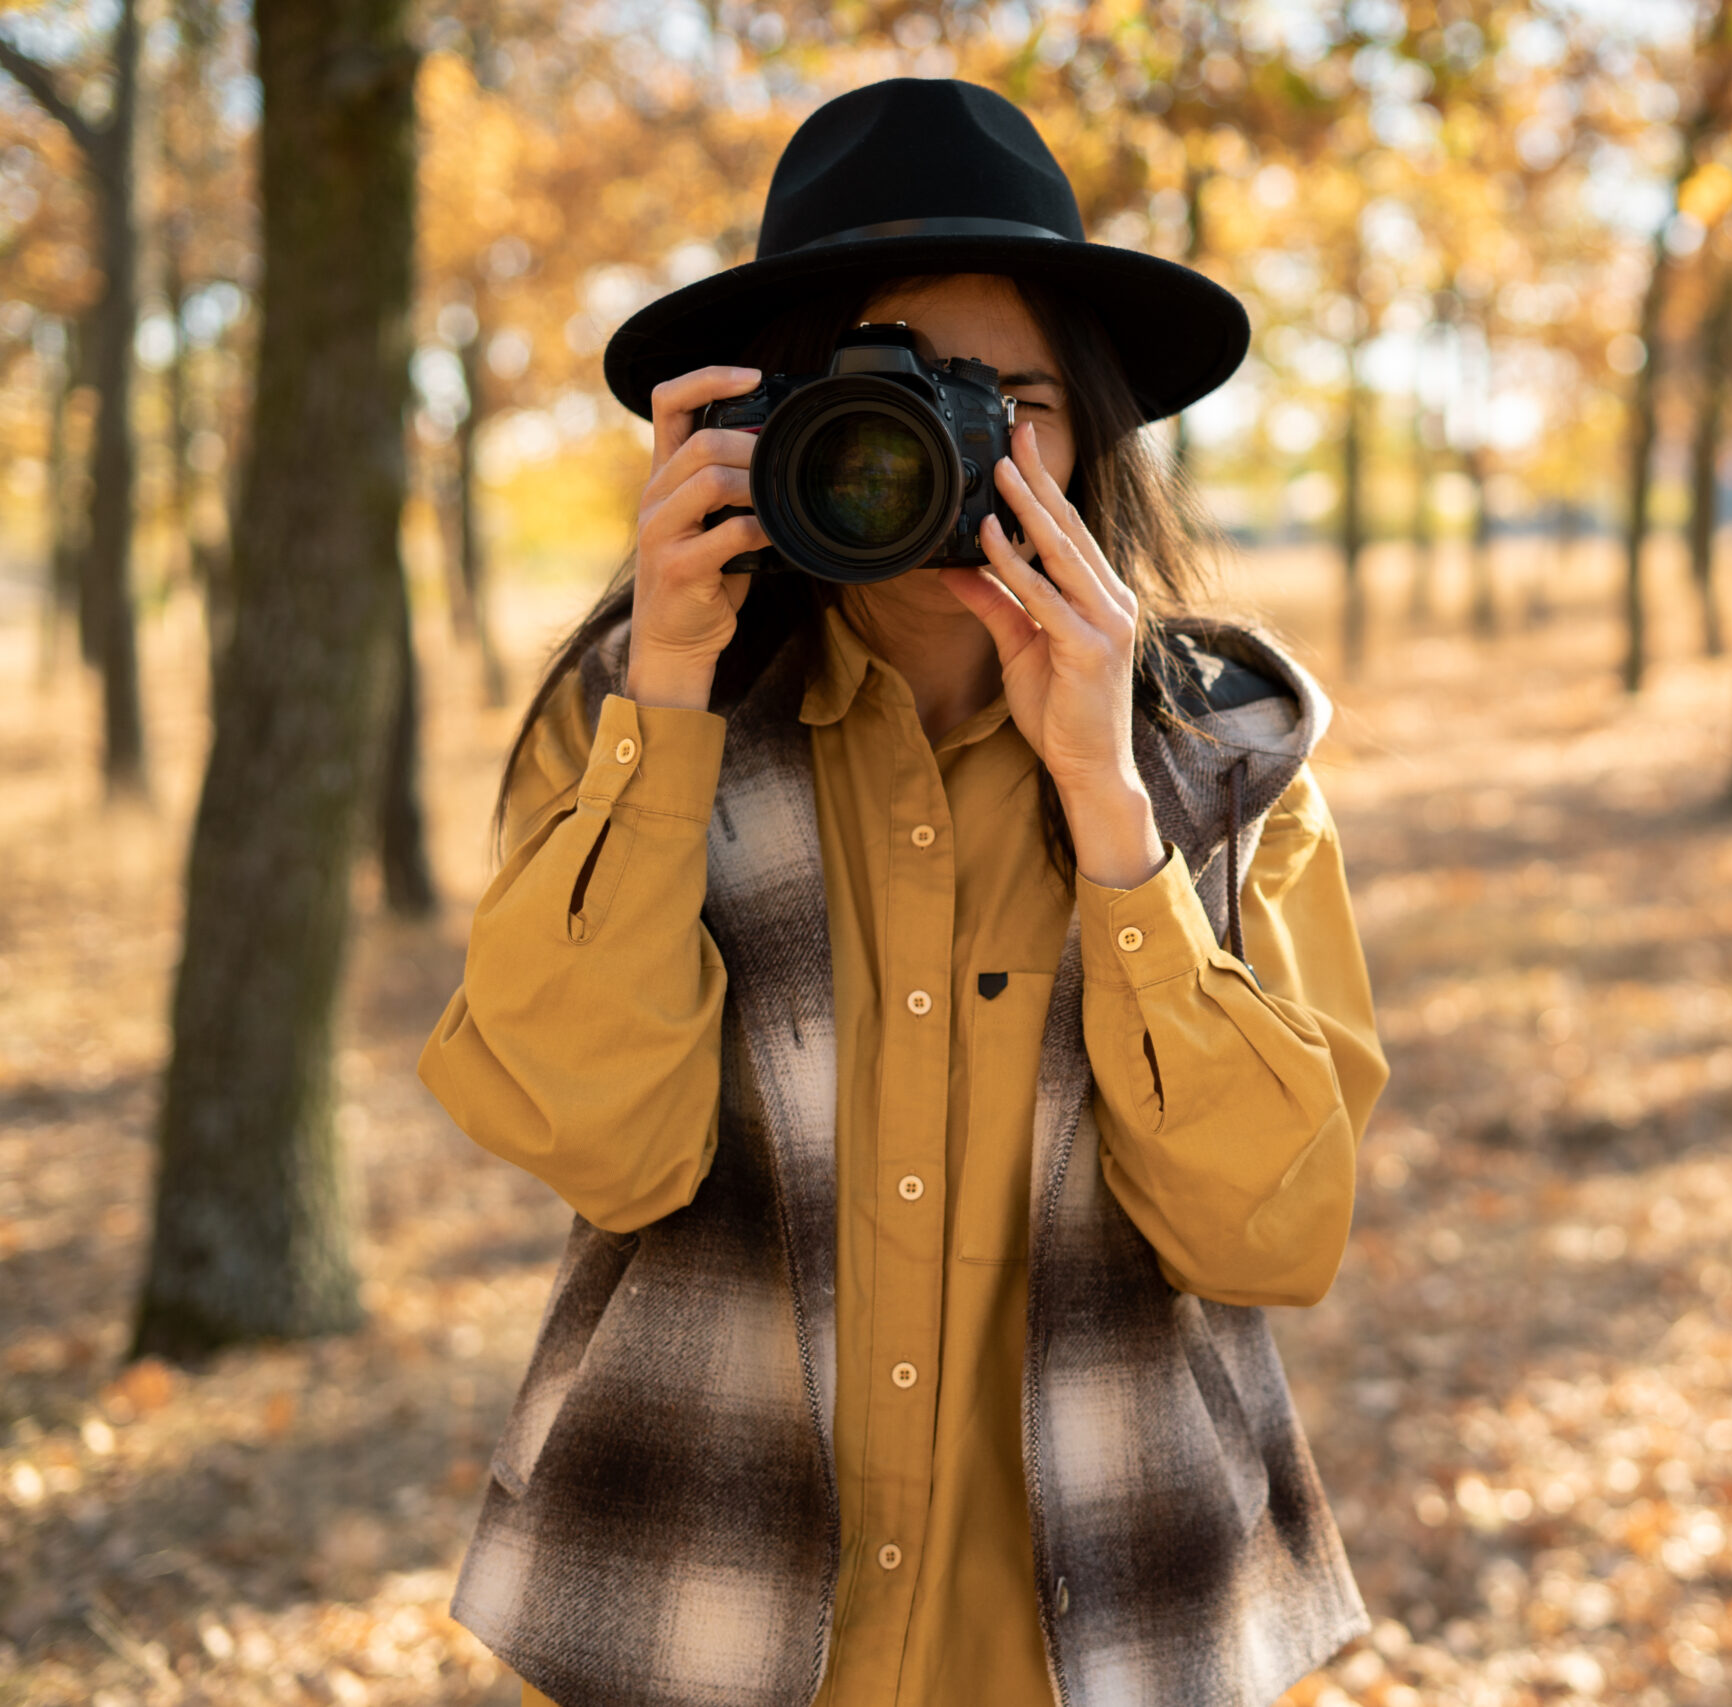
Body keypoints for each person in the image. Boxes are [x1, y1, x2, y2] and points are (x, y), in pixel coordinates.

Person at [417, 79, 1386, 1707]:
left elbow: (1271, 1230)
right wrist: (663, 690)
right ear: (759, 424)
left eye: (1008, 400)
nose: (941, 451)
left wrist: (1109, 803)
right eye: (883, 399)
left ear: (1091, 437)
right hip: (690, 1619)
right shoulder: (630, 726)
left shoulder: (1226, 763)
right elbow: (603, 1148)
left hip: (1109, 1634)